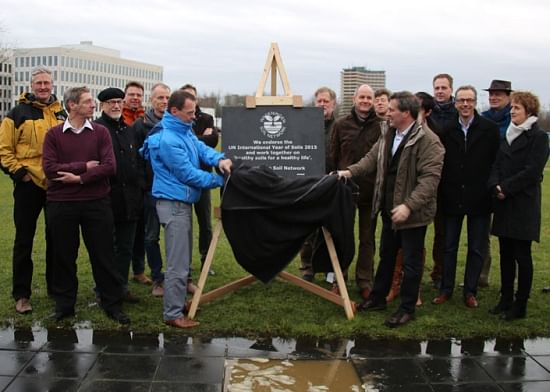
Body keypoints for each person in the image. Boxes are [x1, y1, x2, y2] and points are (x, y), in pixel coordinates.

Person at [338, 91, 444, 328]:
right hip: (389, 209)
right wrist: (349, 172)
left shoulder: (429, 140)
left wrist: (408, 205)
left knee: (411, 263)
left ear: (406, 113)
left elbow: (429, 181)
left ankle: (407, 309)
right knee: (386, 256)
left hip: (412, 215)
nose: (387, 112)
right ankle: (378, 299)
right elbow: (371, 159)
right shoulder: (388, 132)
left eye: (392, 110)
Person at [140, 90, 232, 329]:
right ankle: (173, 313)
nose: (194, 117)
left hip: (182, 203)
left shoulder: (183, 130)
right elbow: (188, 174)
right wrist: (221, 181)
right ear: (175, 112)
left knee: (182, 259)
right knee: (177, 263)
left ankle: (177, 302)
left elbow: (201, 150)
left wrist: (219, 159)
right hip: (173, 205)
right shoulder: (168, 139)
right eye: (190, 113)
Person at [42, 86, 130, 324]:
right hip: (61, 205)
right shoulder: (53, 135)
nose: (93, 105)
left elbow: (109, 167)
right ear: (72, 105)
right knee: (64, 256)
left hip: (96, 203)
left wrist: (77, 178)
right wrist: (85, 167)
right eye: (88, 101)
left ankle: (112, 304)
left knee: (103, 256)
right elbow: (50, 169)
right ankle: (65, 305)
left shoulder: (100, 133)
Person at [0, 66, 66, 314]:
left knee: (56, 239)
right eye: (38, 83)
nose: (42, 87)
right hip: (28, 185)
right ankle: (21, 294)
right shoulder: (17, 113)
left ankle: (55, 288)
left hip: (55, 186)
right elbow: (3, 149)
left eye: (46, 83)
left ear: (52, 85)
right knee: (24, 241)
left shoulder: (61, 112)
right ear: (31, 85)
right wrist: (20, 174)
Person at [432, 85, 500, 308]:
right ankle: (446, 289)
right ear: (456, 103)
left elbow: (494, 162)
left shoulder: (488, 129)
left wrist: (489, 187)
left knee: (476, 247)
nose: (465, 105)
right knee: (449, 246)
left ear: (474, 102)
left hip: (479, 197)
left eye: (469, 100)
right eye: (461, 100)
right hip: (452, 195)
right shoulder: (447, 129)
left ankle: (470, 291)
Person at [488, 91, 549, 320]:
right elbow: (496, 164)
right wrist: (494, 185)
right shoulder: (508, 135)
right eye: (512, 108)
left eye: (517, 108)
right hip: (503, 203)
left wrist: (506, 188)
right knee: (505, 253)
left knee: (521, 255)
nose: (512, 111)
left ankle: (520, 304)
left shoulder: (539, 137)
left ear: (529, 111)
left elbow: (532, 172)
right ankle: (505, 298)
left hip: (523, 204)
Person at [330, 84, 382, 299]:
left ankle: (365, 280)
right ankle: (339, 278)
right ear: (354, 99)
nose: (365, 101)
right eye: (362, 97)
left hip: (370, 191)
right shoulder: (341, 125)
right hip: (345, 191)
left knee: (367, 239)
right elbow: (333, 155)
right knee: (343, 237)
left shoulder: (381, 126)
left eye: (369, 97)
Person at [94, 87, 144, 304]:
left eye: (118, 101)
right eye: (111, 102)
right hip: (106, 198)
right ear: (102, 105)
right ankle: (104, 289)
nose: (115, 105)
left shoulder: (129, 129)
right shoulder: (96, 129)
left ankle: (121, 286)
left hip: (130, 199)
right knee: (104, 247)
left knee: (125, 247)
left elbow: (137, 160)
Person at [132, 83, 171, 297]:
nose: (164, 102)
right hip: (151, 191)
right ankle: (157, 279)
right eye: (160, 98)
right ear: (152, 100)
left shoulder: (177, 124)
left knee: (176, 237)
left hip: (173, 191)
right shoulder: (140, 126)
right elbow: (136, 159)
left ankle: (180, 278)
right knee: (151, 236)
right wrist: (144, 185)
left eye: (167, 98)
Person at [180, 84, 219, 283]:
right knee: (184, 224)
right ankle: (183, 264)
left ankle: (206, 260)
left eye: (193, 97)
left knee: (205, 222)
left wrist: (199, 139)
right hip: (185, 180)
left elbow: (213, 141)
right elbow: (188, 143)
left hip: (203, 177)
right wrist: (201, 137)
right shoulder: (178, 120)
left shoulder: (206, 118)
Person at [300, 86, 337, 281]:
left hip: (330, 182)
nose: (322, 105)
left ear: (333, 104)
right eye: (319, 101)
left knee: (330, 228)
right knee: (308, 227)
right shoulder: (305, 126)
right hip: (309, 182)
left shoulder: (338, 127)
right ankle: (307, 267)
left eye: (326, 101)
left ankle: (330, 268)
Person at [480, 79, 513, 287]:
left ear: (508, 96)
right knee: (482, 234)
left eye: (498, 94)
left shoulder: (515, 118)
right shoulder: (483, 118)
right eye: (491, 93)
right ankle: (482, 275)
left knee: (509, 235)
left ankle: (510, 280)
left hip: (507, 183)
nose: (493, 97)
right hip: (485, 182)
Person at [429, 73, 457, 289]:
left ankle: (440, 272)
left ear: (451, 90)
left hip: (449, 179)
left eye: (444, 87)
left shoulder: (458, 114)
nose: (440, 91)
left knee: (443, 231)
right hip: (427, 177)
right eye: (437, 87)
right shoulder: (427, 113)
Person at [121, 81, 150, 285]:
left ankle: (138, 269)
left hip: (143, 181)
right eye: (131, 94)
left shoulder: (147, 120)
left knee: (141, 228)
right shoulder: (118, 117)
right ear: (124, 97)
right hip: (123, 182)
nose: (135, 98)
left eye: (139, 95)